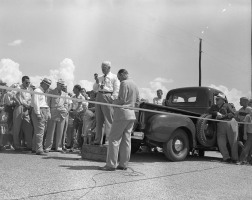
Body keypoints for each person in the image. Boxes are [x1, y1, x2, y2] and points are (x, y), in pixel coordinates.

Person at [99, 69, 139, 171]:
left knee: (113, 139)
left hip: (122, 114)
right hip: (131, 115)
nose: (119, 80)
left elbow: (121, 100)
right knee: (126, 140)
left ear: (123, 74)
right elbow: (138, 101)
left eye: (119, 77)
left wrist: (113, 101)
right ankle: (124, 164)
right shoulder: (134, 84)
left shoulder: (124, 83)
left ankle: (111, 164)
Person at [93, 61, 120, 145]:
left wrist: (112, 98)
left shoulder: (114, 77)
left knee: (109, 120)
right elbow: (95, 89)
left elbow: (117, 89)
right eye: (102, 67)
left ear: (109, 68)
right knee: (98, 119)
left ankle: (108, 140)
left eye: (104, 67)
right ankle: (98, 140)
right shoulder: (100, 77)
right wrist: (97, 82)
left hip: (108, 96)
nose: (102, 69)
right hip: (99, 96)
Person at [208, 93, 238, 163]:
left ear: (223, 100)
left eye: (218, 99)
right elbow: (209, 112)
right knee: (221, 142)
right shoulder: (214, 107)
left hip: (230, 123)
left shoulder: (228, 105)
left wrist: (223, 116)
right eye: (216, 98)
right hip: (220, 124)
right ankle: (226, 158)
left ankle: (235, 158)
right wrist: (216, 113)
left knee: (233, 141)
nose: (216, 99)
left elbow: (233, 113)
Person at [44, 79, 68, 153]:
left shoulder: (65, 94)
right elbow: (47, 102)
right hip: (53, 111)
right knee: (51, 130)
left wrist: (66, 110)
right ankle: (48, 147)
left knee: (60, 130)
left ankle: (58, 147)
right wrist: (48, 112)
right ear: (57, 84)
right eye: (61, 85)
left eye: (63, 85)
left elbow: (66, 103)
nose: (62, 86)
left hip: (62, 112)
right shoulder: (51, 92)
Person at [31, 78, 51, 155]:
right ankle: (39, 149)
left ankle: (34, 148)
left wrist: (48, 112)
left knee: (38, 131)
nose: (48, 86)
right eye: (47, 85)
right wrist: (38, 113)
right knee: (40, 131)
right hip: (40, 110)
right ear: (42, 83)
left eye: (49, 85)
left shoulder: (43, 92)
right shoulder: (37, 91)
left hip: (44, 110)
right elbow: (36, 103)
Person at [12, 76, 33, 151]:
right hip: (19, 108)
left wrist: (29, 105)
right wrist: (18, 101)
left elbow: (30, 99)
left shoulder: (29, 90)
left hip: (26, 109)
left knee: (28, 127)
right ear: (23, 82)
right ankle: (16, 145)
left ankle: (30, 145)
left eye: (29, 82)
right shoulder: (18, 87)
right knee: (16, 128)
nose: (28, 84)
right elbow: (12, 94)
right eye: (26, 82)